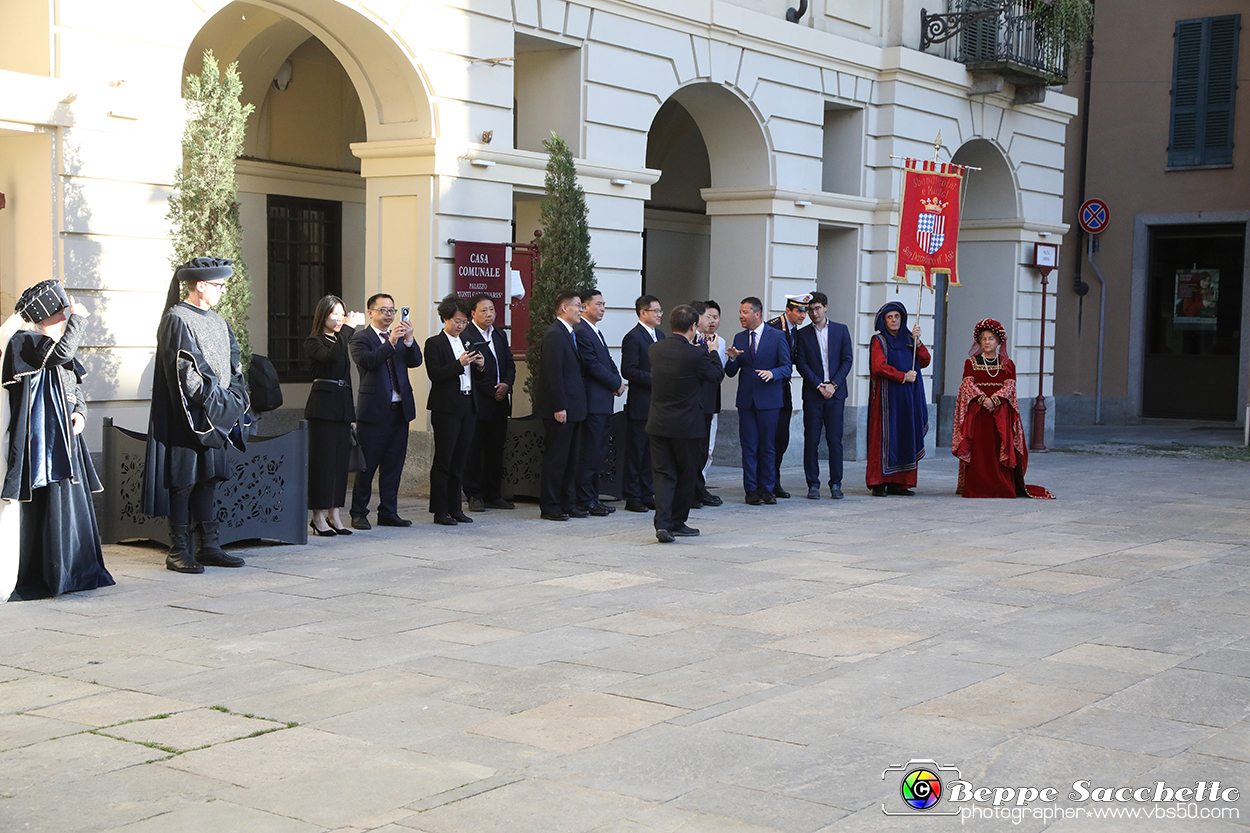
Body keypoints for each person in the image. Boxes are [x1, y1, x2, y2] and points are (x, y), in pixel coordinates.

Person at [1, 280, 113, 600]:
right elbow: (59, 354)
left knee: (74, 509)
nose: (65, 318)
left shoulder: (56, 343)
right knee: (48, 509)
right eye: (61, 313)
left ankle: (78, 572)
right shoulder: (25, 342)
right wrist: (79, 319)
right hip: (43, 446)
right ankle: (50, 575)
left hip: (67, 437)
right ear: (46, 315)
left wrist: (80, 413)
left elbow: (75, 388)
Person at [144, 257, 251, 573]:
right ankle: (179, 550)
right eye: (219, 285)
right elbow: (187, 372)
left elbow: (234, 364)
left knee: (208, 480)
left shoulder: (219, 322)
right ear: (201, 285)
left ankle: (210, 546)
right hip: (189, 416)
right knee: (184, 483)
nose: (223, 291)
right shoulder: (177, 319)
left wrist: (235, 400)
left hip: (217, 414)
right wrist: (215, 403)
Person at [952, 319, 1055, 499]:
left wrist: (996, 400)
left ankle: (1000, 485)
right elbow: (967, 384)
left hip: (1000, 413)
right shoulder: (971, 363)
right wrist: (983, 399)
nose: (987, 342)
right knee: (981, 448)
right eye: (984, 339)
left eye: (991, 338)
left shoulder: (1007, 364)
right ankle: (977, 486)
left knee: (1000, 446)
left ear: (998, 342)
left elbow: (1010, 386)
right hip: (979, 412)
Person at [647, 305, 724, 543]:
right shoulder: (697, 354)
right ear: (693, 327)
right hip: (687, 426)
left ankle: (662, 523)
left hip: (658, 422)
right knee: (687, 474)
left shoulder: (655, 349)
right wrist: (713, 351)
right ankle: (677, 522)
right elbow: (716, 376)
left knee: (663, 474)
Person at [349, 292, 423, 529]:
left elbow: (416, 361)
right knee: (367, 465)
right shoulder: (361, 339)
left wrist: (409, 340)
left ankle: (388, 512)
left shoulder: (401, 337)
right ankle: (359, 512)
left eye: (392, 310)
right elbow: (368, 362)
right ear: (371, 312)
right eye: (383, 310)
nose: (389, 314)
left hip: (399, 410)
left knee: (394, 464)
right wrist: (390, 342)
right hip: (374, 412)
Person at [304, 295, 365, 536]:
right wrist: (348, 328)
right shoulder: (314, 342)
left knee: (340, 464)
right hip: (323, 407)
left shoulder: (341, 340)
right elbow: (330, 358)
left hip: (341, 406)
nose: (340, 319)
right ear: (323, 316)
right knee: (323, 463)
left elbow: (347, 378)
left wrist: (351, 413)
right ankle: (317, 516)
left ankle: (334, 514)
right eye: (335, 315)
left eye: (343, 314)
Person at [725, 296, 791, 505]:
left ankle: (768, 489)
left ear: (758, 314)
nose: (741, 316)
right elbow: (730, 372)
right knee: (749, 446)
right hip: (746, 401)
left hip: (769, 401)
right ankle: (751, 490)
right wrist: (733, 358)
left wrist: (773, 374)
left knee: (768, 446)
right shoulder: (739, 337)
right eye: (740, 312)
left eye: (745, 312)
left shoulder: (777, 336)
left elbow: (787, 367)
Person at [425, 296, 482, 525]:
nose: (460, 325)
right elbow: (435, 374)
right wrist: (459, 364)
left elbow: (476, 375)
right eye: (457, 321)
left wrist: (480, 364)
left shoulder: (467, 342)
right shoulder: (434, 343)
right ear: (445, 319)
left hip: (468, 404)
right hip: (446, 407)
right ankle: (440, 510)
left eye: (464, 321)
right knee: (444, 459)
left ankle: (455, 508)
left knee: (460, 458)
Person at [867, 300, 930, 497]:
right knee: (884, 438)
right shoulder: (879, 341)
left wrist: (918, 342)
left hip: (908, 398)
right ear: (884, 321)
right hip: (887, 399)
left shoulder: (910, 339)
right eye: (890, 317)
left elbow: (925, 360)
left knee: (905, 435)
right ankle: (878, 482)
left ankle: (899, 483)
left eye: (897, 316)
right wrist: (902, 376)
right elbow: (879, 367)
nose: (894, 320)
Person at [794, 292, 853, 500]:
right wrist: (819, 385)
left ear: (825, 307)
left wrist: (834, 385)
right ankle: (813, 484)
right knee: (811, 440)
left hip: (836, 395)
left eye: (817, 308)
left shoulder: (841, 330)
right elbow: (801, 363)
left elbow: (847, 359)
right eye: (810, 310)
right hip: (813, 394)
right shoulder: (802, 335)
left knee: (835, 440)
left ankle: (836, 483)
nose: (814, 313)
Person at [536, 290, 588, 521]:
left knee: (571, 459)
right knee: (557, 459)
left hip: (575, 408)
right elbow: (553, 373)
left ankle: (568, 501)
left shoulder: (570, 333)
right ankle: (550, 505)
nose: (581, 310)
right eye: (578, 305)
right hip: (561, 408)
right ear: (565, 308)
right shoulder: (555, 334)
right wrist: (559, 406)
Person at [461, 294, 516, 512]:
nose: (489, 314)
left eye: (492, 310)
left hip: (500, 402)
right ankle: (474, 494)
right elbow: (471, 370)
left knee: (495, 449)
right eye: (484, 310)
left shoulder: (500, 334)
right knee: (474, 450)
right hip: (478, 402)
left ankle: (494, 493)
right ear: (473, 313)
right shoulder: (467, 335)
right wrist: (492, 390)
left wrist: (506, 385)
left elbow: (510, 363)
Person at [575, 288, 625, 516]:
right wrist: (615, 384)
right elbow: (592, 365)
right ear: (584, 307)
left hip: (604, 401)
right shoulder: (581, 331)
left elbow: (608, 361)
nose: (603, 308)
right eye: (599, 304)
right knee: (591, 452)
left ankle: (593, 497)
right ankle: (586, 499)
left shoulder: (596, 331)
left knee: (599, 452)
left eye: (604, 304)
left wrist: (617, 380)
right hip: (592, 402)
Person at [620, 295, 664, 513]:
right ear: (642, 312)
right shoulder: (633, 337)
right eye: (654, 311)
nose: (658, 315)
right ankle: (632, 496)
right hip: (640, 403)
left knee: (651, 453)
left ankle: (647, 493)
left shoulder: (661, 336)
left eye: (660, 311)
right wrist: (653, 378)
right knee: (636, 453)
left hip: (658, 405)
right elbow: (628, 370)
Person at [765, 294, 809, 498]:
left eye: (804, 311)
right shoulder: (773, 327)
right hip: (770, 387)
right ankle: (765, 482)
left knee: (781, 437)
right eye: (799, 311)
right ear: (788, 310)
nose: (803, 315)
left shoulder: (794, 329)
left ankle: (774, 481)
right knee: (769, 438)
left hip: (784, 388)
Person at [689, 301, 724, 508]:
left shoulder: (711, 340)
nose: (710, 320)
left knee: (703, 450)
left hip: (707, 405)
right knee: (693, 450)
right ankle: (692, 491)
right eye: (706, 316)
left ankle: (699, 488)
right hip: (694, 405)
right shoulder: (692, 343)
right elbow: (710, 374)